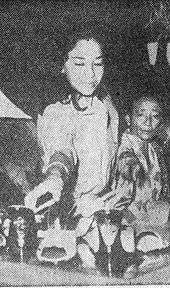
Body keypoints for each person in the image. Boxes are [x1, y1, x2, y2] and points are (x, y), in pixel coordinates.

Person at [24, 21, 119, 271]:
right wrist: (55, 179)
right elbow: (61, 151)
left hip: (105, 217)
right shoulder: (56, 112)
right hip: (69, 224)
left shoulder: (107, 105)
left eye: (97, 63)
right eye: (79, 63)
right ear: (62, 66)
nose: (90, 74)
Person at [110, 94, 169, 276]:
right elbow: (125, 160)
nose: (148, 122)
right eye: (141, 115)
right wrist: (132, 167)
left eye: (155, 116)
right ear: (129, 119)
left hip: (153, 215)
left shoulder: (154, 147)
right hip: (129, 219)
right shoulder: (126, 145)